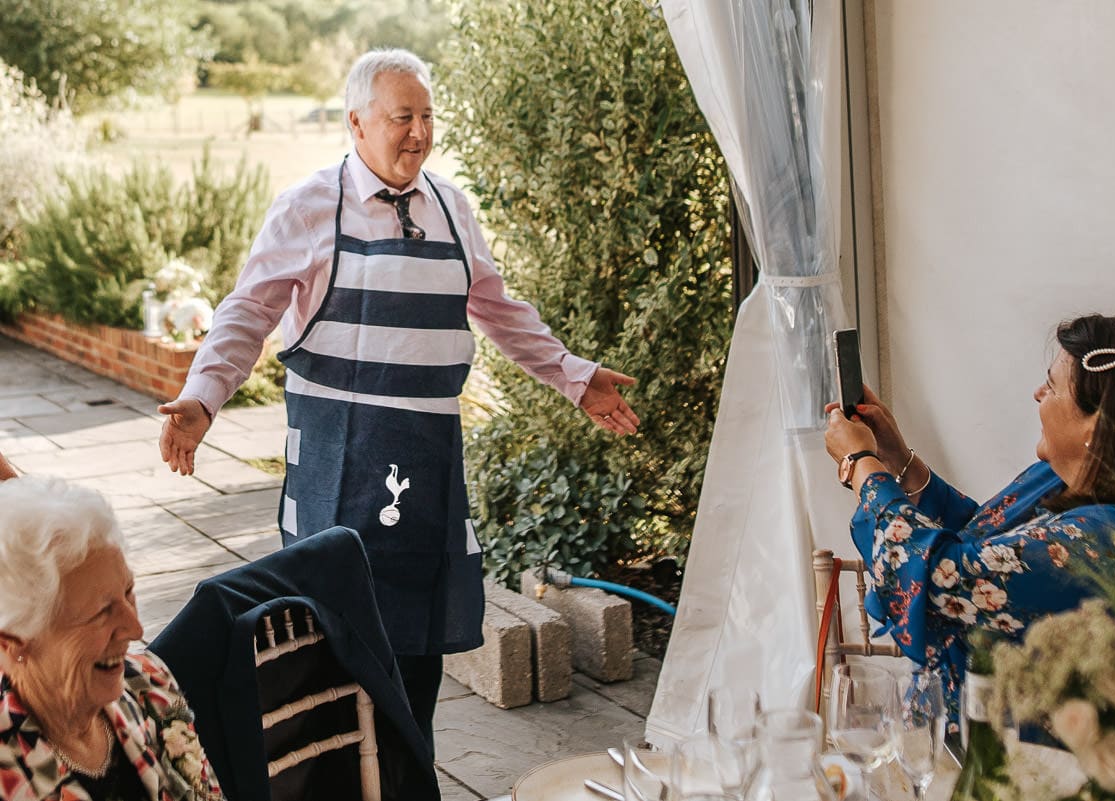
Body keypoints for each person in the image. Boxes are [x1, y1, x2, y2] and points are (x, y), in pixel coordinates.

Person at [157, 48, 639, 748]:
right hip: (337, 464)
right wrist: (202, 398)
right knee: (333, 652)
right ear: (356, 122)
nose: (419, 132)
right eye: (402, 117)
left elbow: (499, 310)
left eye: (428, 116)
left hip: (428, 467)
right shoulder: (308, 206)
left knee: (416, 657)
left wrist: (573, 375)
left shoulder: (451, 207)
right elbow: (248, 312)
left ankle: (412, 773)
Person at [824, 314, 1115, 729]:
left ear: (1100, 424)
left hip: (1005, 755)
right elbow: (990, 548)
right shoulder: (1056, 481)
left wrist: (860, 464)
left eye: (1052, 386)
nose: (1038, 393)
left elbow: (942, 580)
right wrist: (898, 459)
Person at [0, 476, 225, 800]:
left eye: (128, 592)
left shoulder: (149, 684)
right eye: (101, 612)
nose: (135, 629)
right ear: (11, 644)